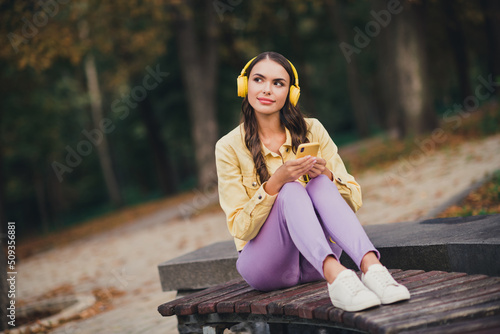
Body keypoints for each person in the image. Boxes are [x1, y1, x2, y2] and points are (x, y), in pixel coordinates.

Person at [215, 51, 410, 312]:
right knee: (291, 189)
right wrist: (276, 183)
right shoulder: (227, 147)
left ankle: (373, 269)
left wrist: (327, 175)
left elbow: (354, 199)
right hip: (266, 268)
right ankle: (338, 278)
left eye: (278, 83)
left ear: (291, 93)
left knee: (320, 182)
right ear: (244, 85)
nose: (267, 90)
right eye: (259, 80)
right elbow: (240, 229)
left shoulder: (313, 129)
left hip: (314, 261)